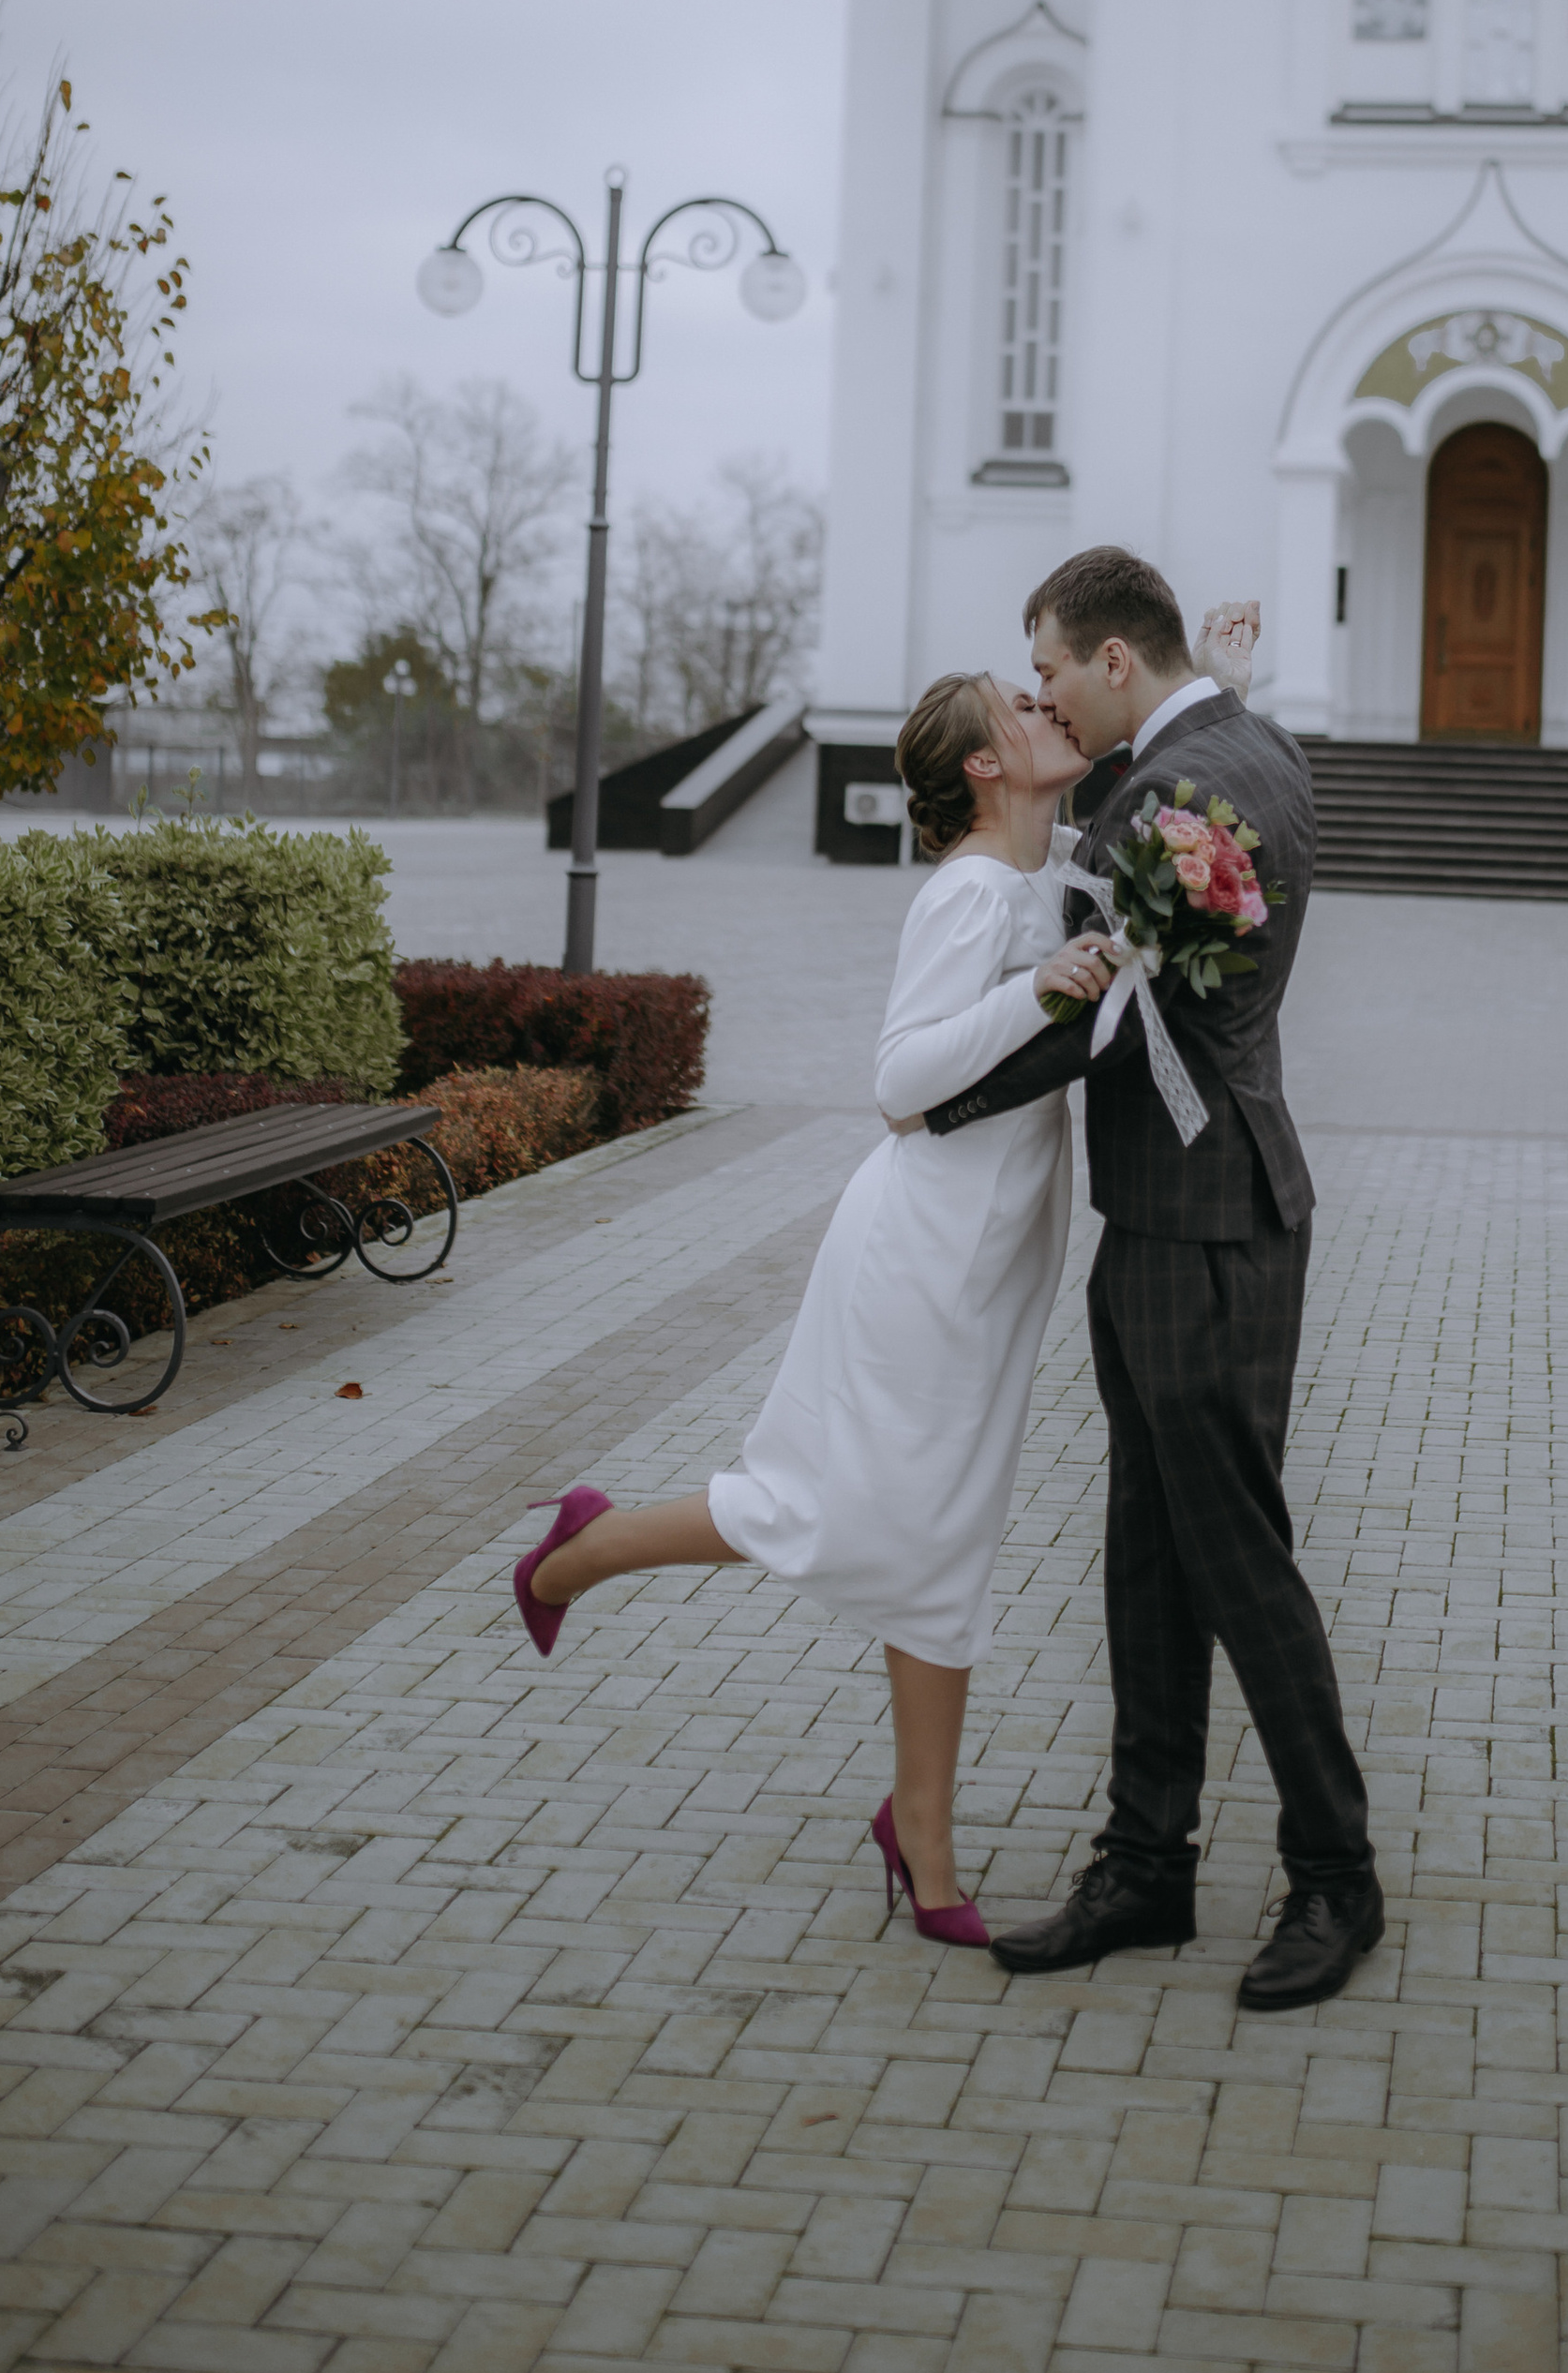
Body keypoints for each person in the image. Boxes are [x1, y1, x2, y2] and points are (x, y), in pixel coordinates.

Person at [509, 626, 1249, 1942]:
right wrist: (1036, 992)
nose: (1051, 706)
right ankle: (577, 1551)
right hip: (919, 1254)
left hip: (992, 1255)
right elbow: (901, 1088)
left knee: (945, 1539)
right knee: (828, 1510)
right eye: (1025, 704)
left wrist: (1227, 691)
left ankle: (922, 1838)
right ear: (984, 763)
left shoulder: (1048, 865)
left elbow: (1149, 863)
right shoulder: (970, 893)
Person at [904, 545, 1381, 2012]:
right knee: (1149, 1558)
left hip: (1206, 1230)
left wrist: (935, 1099)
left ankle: (1336, 1876)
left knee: (1236, 1562)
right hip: (1180, 1216)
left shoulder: (1172, 803)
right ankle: (1147, 1865)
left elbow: (1108, 1010)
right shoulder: (1247, 741)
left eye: (1047, 664)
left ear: (1118, 662)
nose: (1038, 688)